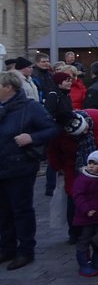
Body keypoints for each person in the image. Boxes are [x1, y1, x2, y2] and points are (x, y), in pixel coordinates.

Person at [0, 71, 58, 269]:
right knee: (3, 211)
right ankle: (6, 247)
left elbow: (51, 129)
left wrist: (31, 138)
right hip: (2, 166)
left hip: (20, 166)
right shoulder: (2, 108)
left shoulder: (30, 108)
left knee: (21, 209)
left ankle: (26, 250)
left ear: (8, 87)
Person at [71, 150, 98, 277]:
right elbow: (78, 196)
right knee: (84, 240)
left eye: (95, 163)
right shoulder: (83, 179)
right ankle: (84, 263)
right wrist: (86, 209)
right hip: (86, 218)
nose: (91, 166)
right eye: (90, 163)